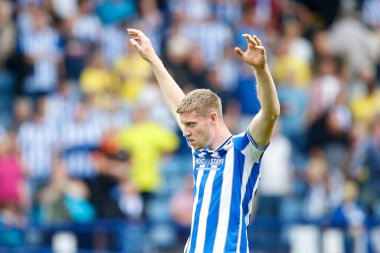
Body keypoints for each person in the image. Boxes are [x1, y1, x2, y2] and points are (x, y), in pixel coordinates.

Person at [127, 28, 280, 253]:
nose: (185, 132)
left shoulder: (243, 150)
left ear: (212, 118)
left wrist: (261, 69)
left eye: (191, 125)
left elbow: (270, 113)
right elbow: (175, 102)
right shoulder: (198, 149)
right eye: (185, 125)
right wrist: (153, 58)